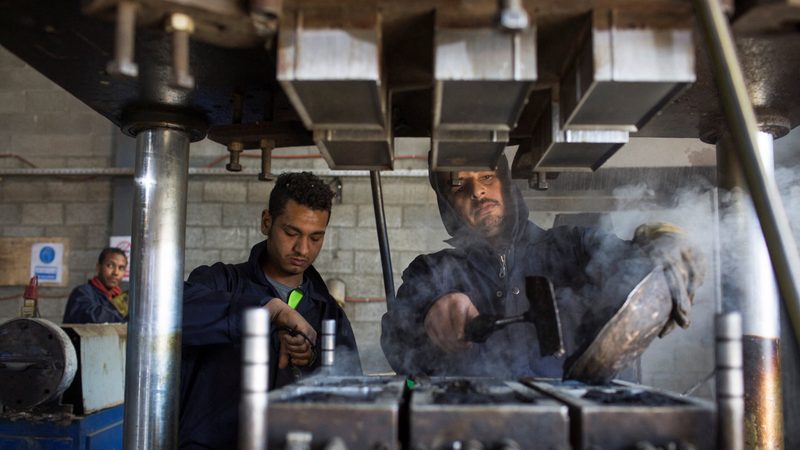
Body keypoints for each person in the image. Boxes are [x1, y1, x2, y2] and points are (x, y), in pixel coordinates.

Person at [380, 153, 704, 377]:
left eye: (487, 177)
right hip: (471, 425)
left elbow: (635, 262)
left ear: (506, 183)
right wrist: (429, 315)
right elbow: (396, 342)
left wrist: (663, 244)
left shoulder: (571, 246)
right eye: (457, 184)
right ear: (446, 204)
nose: (477, 190)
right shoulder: (430, 271)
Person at [179, 171, 361, 450]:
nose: (302, 248)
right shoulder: (221, 282)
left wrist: (311, 362)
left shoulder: (328, 314)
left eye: (316, 238)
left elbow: (349, 400)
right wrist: (267, 310)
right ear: (267, 222)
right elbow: (168, 313)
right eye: (292, 233)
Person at [62, 247, 128, 323]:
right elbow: (91, 318)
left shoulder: (119, 296)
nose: (116, 272)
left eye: (121, 268)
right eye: (110, 265)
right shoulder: (82, 292)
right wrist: (122, 306)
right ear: (98, 267)